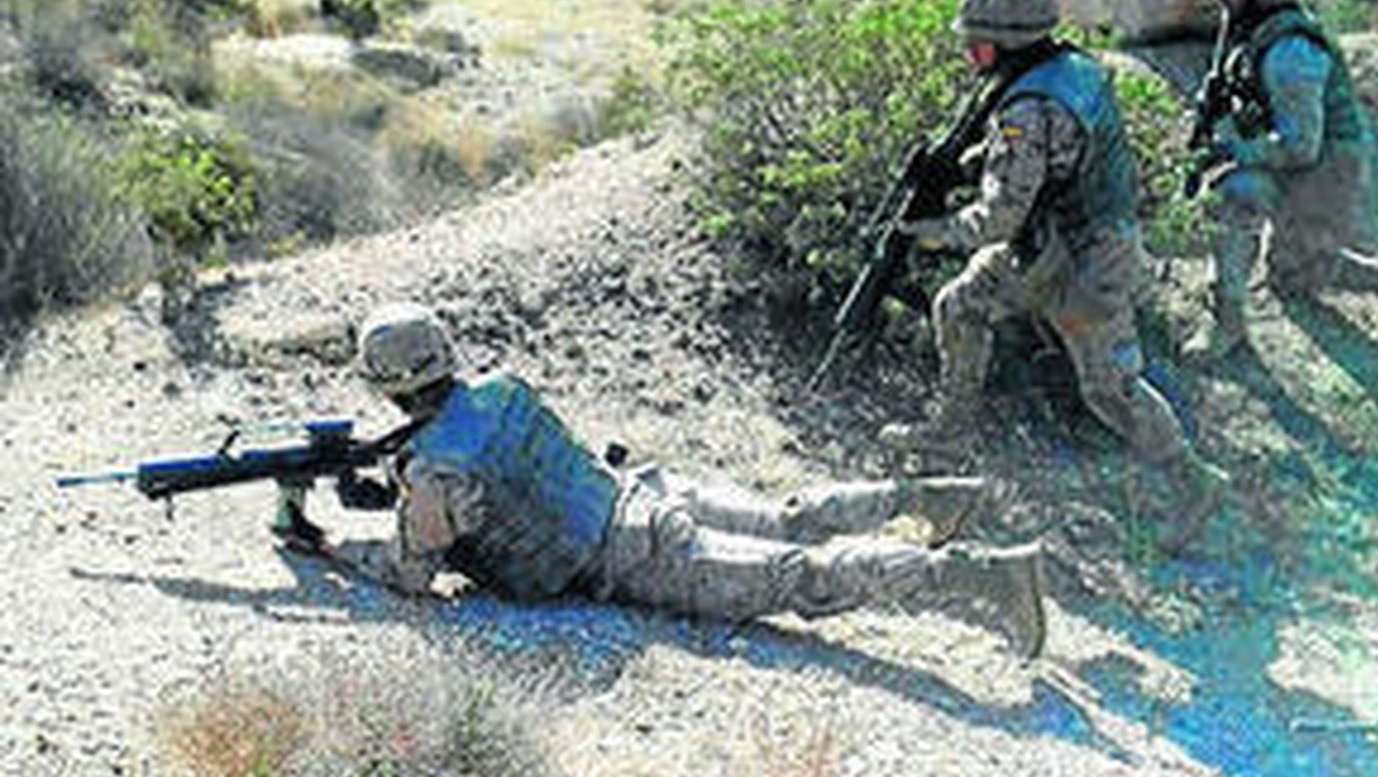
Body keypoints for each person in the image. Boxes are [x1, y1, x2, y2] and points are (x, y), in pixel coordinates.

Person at [278, 302, 1049, 658]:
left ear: (383, 383)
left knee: (802, 578)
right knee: (791, 518)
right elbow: (517, 472)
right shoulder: (503, 388)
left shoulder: (436, 467)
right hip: (646, 493)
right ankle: (937, 497)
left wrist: (330, 543)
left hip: (634, 555)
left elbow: (414, 575)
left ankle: (982, 580)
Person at [878, 0, 1228, 538]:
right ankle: (950, 433)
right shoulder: (1069, 68)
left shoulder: (1026, 111)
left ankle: (1195, 483)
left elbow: (998, 218)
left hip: (1087, 258)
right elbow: (1054, 163)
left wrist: (932, 231)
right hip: (1058, 241)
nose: (969, 51)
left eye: (978, 41)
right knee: (960, 303)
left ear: (1007, 42)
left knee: (1109, 389)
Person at [1186, 0, 1378, 360]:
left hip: (1325, 167)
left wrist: (1235, 151)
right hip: (1299, 159)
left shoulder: (1292, 53)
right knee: (1282, 262)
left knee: (1245, 202)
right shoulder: (1256, 36)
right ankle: (1228, 318)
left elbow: (1300, 146)